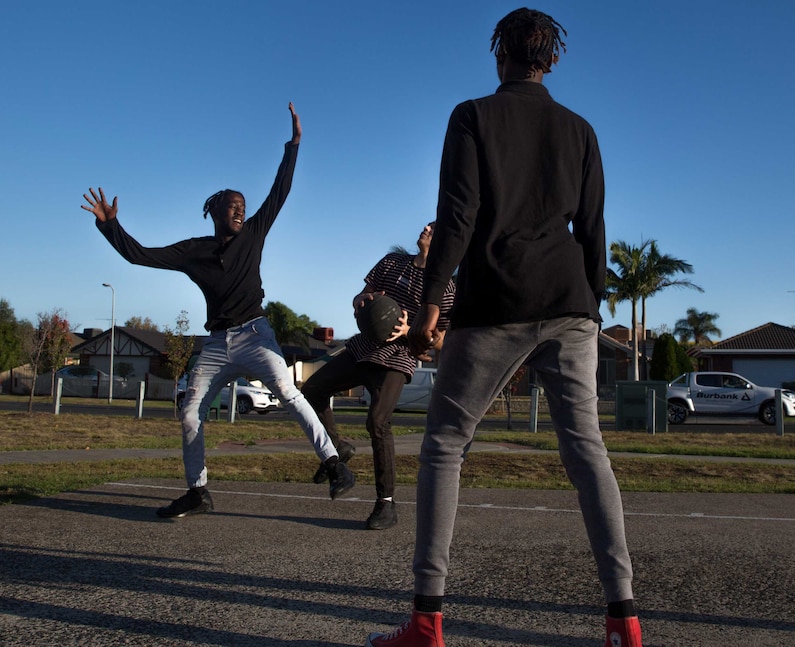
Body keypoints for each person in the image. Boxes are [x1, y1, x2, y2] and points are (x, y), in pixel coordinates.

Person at [366, 9, 642, 647]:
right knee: (587, 452)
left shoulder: (472, 116)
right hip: (570, 304)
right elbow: (594, 231)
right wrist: (590, 307)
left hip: (497, 302)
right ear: (551, 59)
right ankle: (624, 620)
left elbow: (456, 217)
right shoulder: (581, 130)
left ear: (500, 54)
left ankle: (428, 621)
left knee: (444, 445)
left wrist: (432, 301)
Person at [81, 103, 355, 518]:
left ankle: (334, 465)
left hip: (257, 335)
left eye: (243, 204)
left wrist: (293, 146)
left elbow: (280, 191)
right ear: (215, 211)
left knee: (287, 392)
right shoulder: (195, 251)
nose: (241, 209)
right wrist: (109, 227)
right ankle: (197, 492)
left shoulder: (254, 234)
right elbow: (140, 255)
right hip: (216, 344)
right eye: (233, 204)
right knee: (189, 413)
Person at [301, 222, 455, 530]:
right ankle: (337, 446)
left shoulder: (446, 288)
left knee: (377, 422)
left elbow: (443, 340)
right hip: (362, 347)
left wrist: (412, 331)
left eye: (434, 228)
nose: (426, 227)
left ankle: (386, 504)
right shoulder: (391, 262)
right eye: (427, 224)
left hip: (398, 357)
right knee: (312, 390)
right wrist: (360, 301)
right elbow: (363, 295)